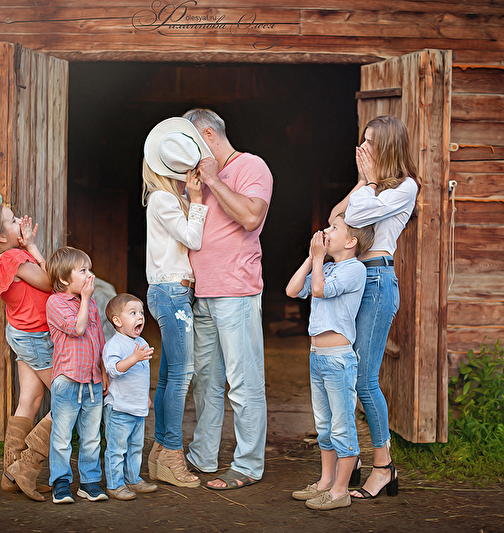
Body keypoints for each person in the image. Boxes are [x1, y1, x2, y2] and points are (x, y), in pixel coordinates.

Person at [329, 115, 419, 500]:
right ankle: (353, 459)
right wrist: (364, 181)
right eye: (362, 140)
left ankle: (384, 467)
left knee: (364, 379)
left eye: (370, 143)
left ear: (388, 148)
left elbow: (355, 216)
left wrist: (367, 183)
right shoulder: (371, 188)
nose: (362, 148)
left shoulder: (405, 187)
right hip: (354, 279)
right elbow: (336, 218)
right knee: (345, 375)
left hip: (378, 281)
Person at [183, 108, 273, 490]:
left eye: (190, 139)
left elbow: (251, 217)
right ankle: (203, 455)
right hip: (202, 293)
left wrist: (213, 181)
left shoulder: (251, 166)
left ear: (208, 135)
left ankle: (248, 464)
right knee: (206, 380)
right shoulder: (197, 177)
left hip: (236, 292)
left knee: (243, 380)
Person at [286, 214, 375, 510]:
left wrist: (318, 258)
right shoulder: (325, 267)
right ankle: (325, 482)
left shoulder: (355, 269)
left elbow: (320, 290)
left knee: (341, 426)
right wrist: (312, 258)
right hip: (317, 357)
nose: (326, 230)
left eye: (334, 228)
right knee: (324, 426)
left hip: (338, 359)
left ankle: (340, 491)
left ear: (350, 242)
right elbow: (292, 290)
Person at [142, 118, 210, 488]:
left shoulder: (169, 198)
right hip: (172, 293)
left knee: (171, 375)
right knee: (181, 375)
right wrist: (197, 201)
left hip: (172, 292)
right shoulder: (164, 199)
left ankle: (160, 452)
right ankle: (171, 452)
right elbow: (192, 239)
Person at [0, 202, 53, 501]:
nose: (20, 220)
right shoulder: (15, 258)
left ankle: (9, 474)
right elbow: (50, 282)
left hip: (21, 333)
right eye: (12, 219)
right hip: (36, 337)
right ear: (1, 237)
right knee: (70, 397)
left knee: (30, 400)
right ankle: (26, 466)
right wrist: (32, 246)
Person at [45, 246, 108, 504]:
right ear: (63, 279)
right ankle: (60, 482)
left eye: (89, 269)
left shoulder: (90, 303)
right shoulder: (55, 303)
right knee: (62, 437)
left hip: (92, 381)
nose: (89, 275)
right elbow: (78, 328)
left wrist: (103, 371)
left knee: (91, 437)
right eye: (83, 270)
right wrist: (85, 299)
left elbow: (99, 338)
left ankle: (89, 482)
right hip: (67, 381)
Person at [101, 293, 159, 500]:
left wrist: (146, 397)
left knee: (135, 447)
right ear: (117, 321)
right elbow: (113, 370)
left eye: (141, 312)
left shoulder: (141, 342)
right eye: (133, 313)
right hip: (119, 408)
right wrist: (134, 358)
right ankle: (115, 485)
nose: (140, 316)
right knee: (117, 449)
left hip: (137, 407)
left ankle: (133, 479)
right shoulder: (114, 345)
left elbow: (142, 374)